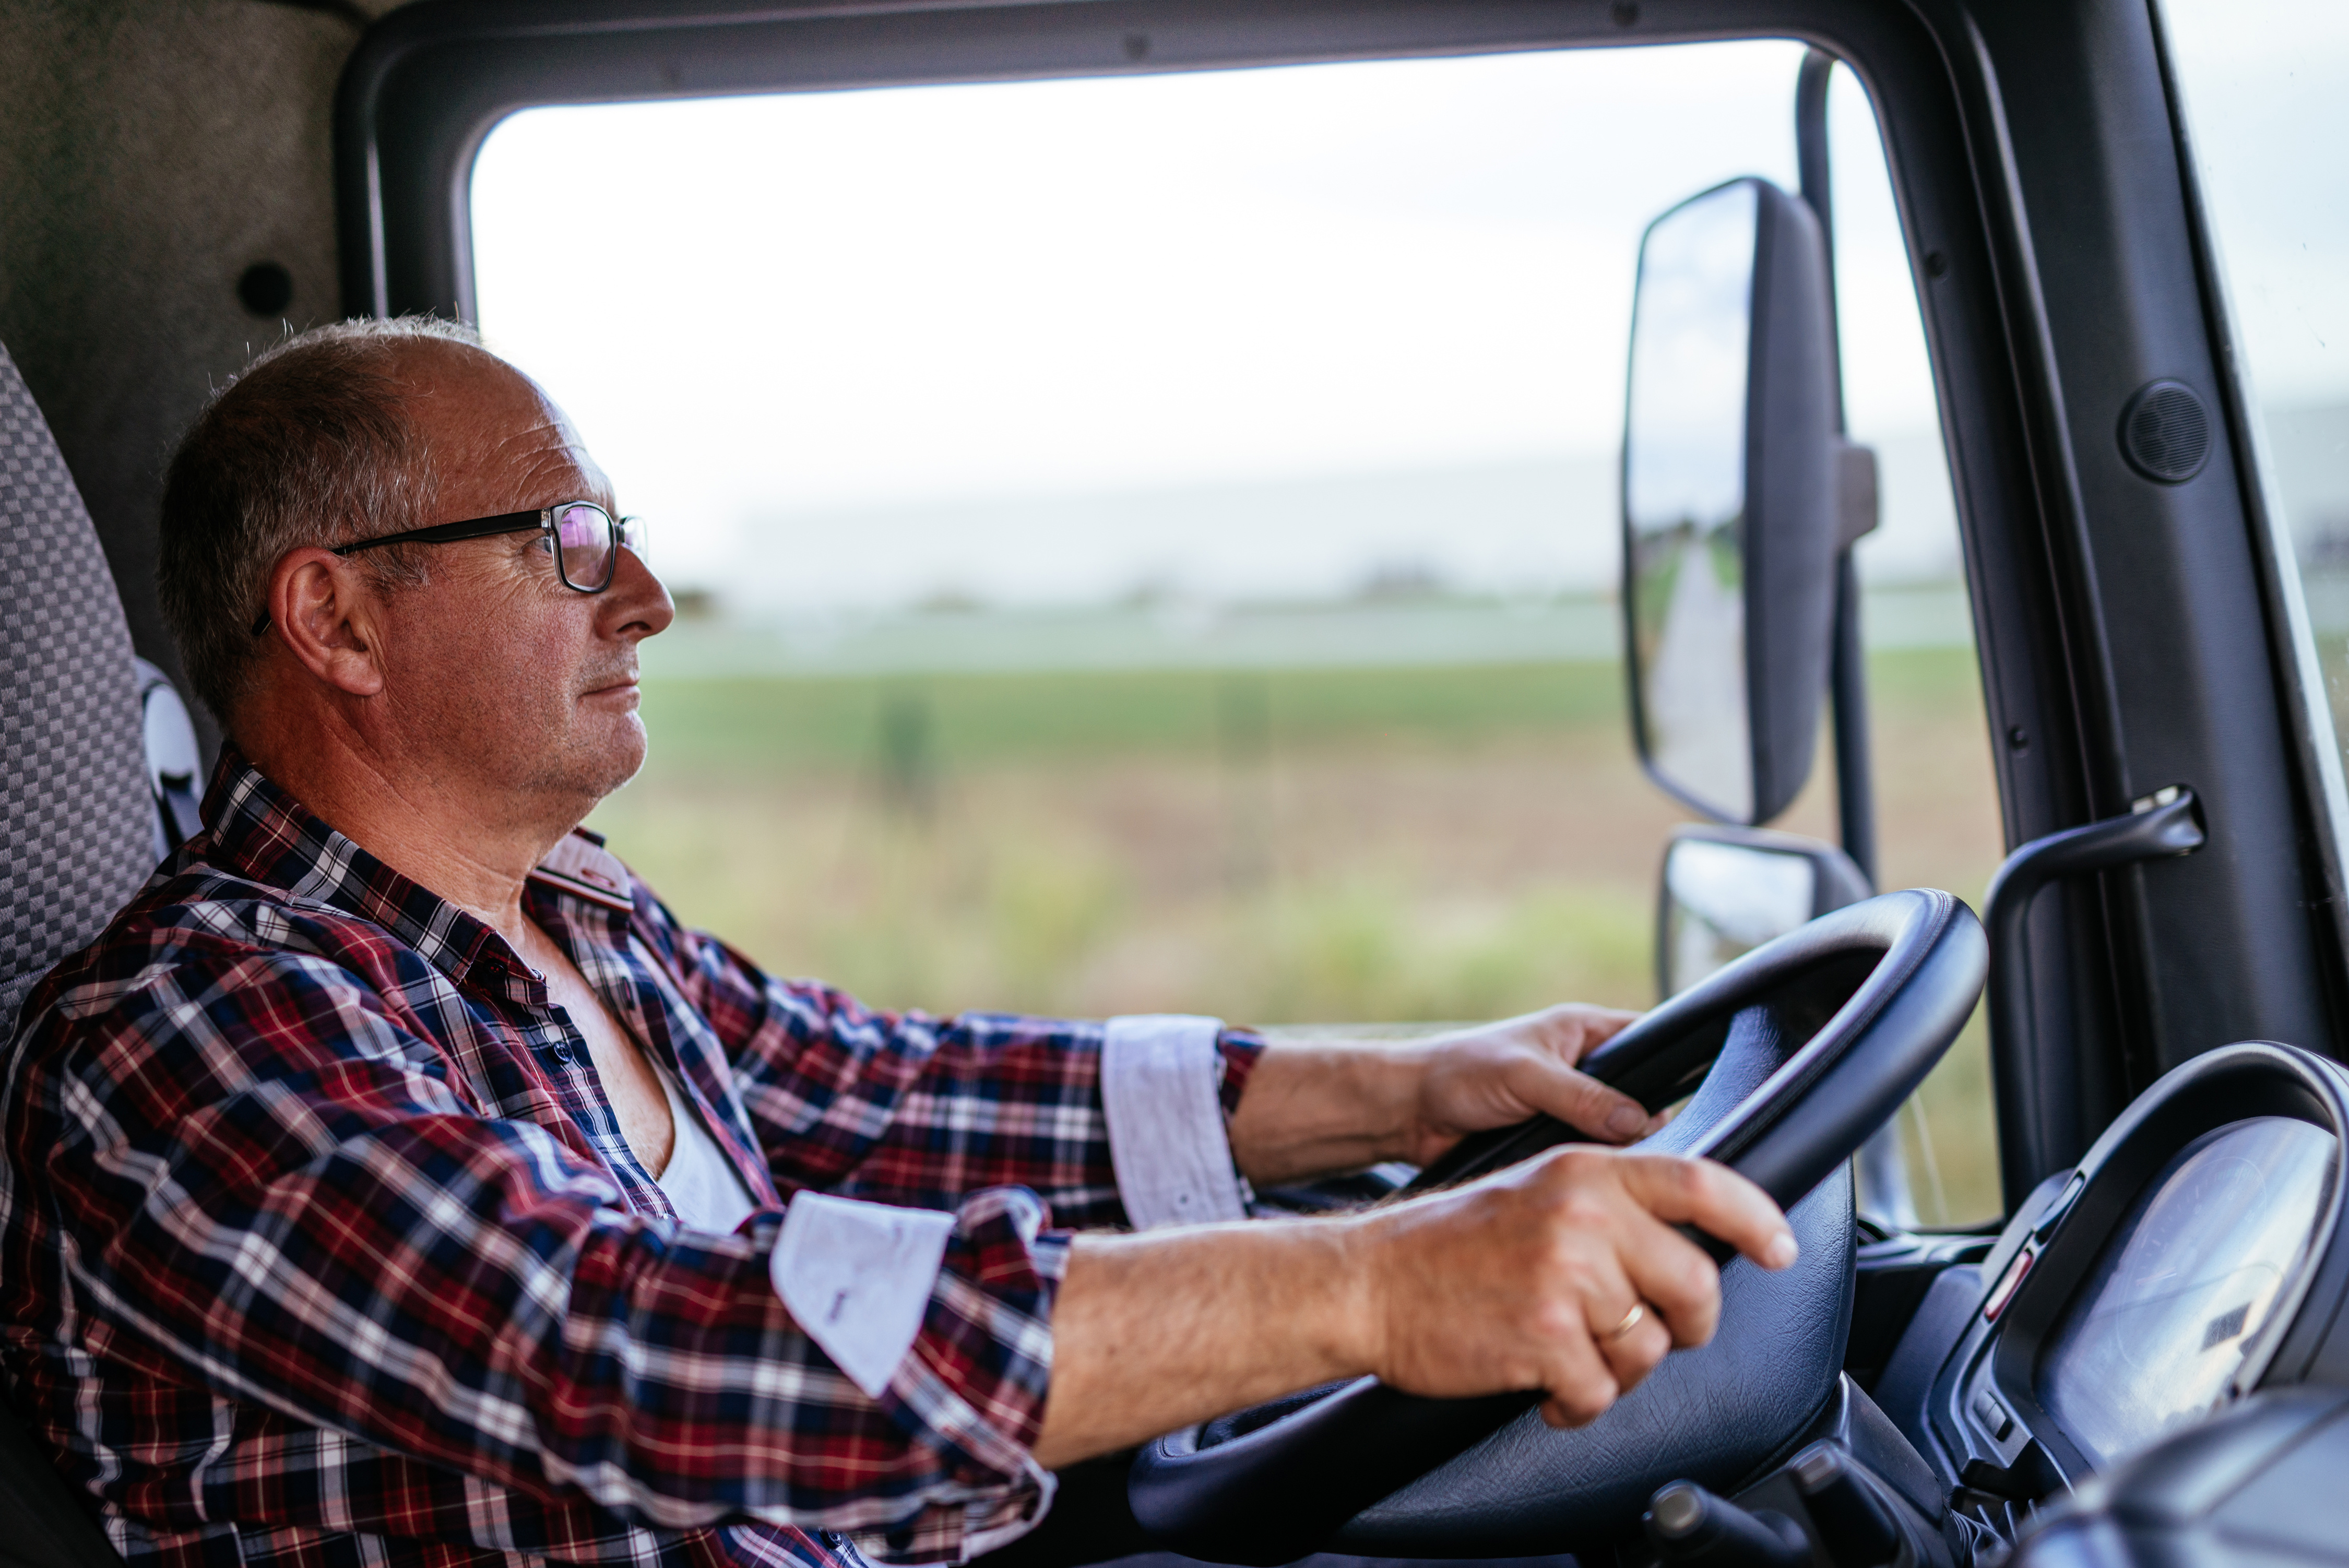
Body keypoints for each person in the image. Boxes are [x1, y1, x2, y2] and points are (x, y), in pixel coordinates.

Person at [0, 318, 1795, 1567]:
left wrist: (1401, 1089)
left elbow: (880, 1090)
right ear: (338, 619)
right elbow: (629, 1347)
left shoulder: (574, 920)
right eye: (563, 542)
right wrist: (1383, 1284)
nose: (646, 596)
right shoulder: (189, 1042)